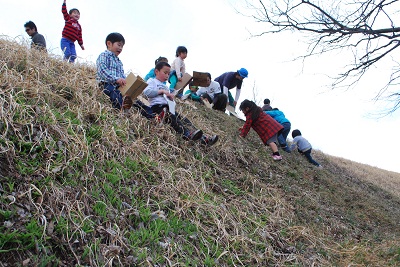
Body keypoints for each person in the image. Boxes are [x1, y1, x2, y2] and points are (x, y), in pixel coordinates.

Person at [144, 61, 218, 146]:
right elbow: (147, 92)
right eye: (165, 73)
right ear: (156, 71)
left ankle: (204, 138)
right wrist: (161, 91)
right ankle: (186, 134)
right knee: (173, 119)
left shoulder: (165, 86)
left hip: (167, 107)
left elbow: (170, 102)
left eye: (168, 74)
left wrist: (171, 99)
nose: (167, 76)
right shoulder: (152, 81)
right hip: (157, 107)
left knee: (184, 120)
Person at [96, 32, 133, 111]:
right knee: (115, 93)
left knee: (136, 101)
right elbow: (102, 70)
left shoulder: (119, 62)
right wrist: (116, 79)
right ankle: (119, 111)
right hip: (106, 84)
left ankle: (152, 116)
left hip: (117, 87)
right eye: (119, 45)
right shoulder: (104, 55)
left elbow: (122, 75)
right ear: (109, 44)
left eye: (122, 46)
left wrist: (125, 82)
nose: (120, 48)